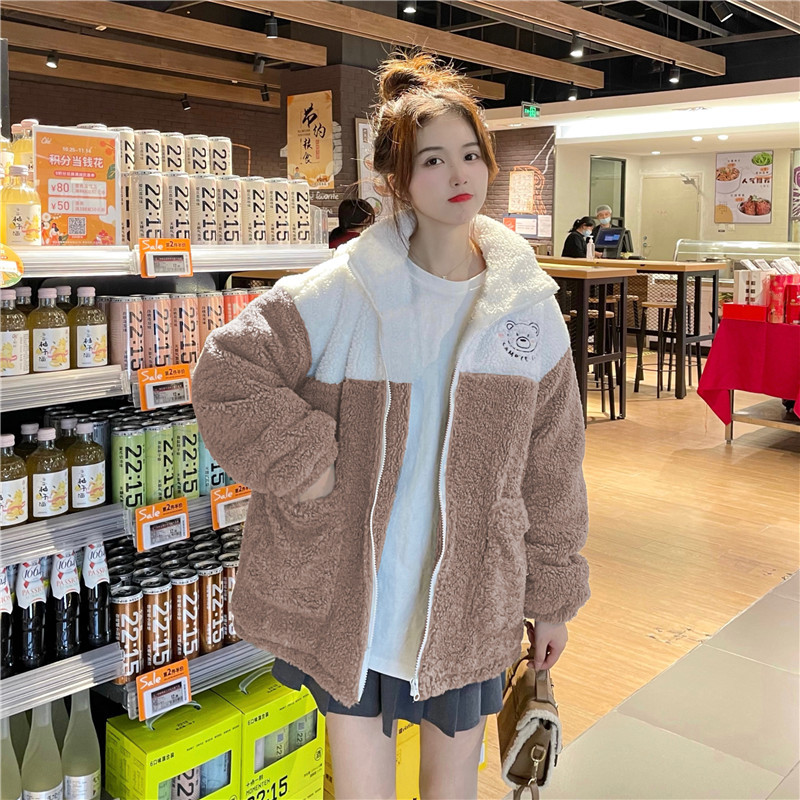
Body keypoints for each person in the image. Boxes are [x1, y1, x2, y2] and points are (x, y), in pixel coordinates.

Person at [192, 51, 590, 800]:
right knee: (360, 787)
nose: (459, 174)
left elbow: (553, 466)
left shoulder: (527, 310)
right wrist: (312, 467)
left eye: (470, 153)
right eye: (432, 160)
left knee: (453, 784)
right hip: (356, 593)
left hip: (472, 591)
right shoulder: (343, 291)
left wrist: (551, 598)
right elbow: (227, 370)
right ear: (395, 180)